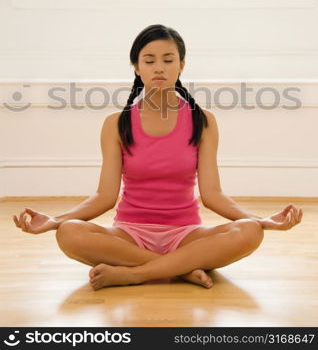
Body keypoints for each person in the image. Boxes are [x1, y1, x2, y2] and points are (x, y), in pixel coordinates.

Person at [13, 24, 303, 291]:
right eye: (149, 60)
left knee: (250, 232)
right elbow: (104, 197)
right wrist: (55, 220)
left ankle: (135, 273)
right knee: (69, 233)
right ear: (137, 68)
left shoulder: (204, 121)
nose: (159, 68)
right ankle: (181, 270)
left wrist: (262, 220)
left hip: (186, 235)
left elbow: (213, 195)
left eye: (168, 59)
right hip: (129, 235)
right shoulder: (116, 124)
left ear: (182, 65)